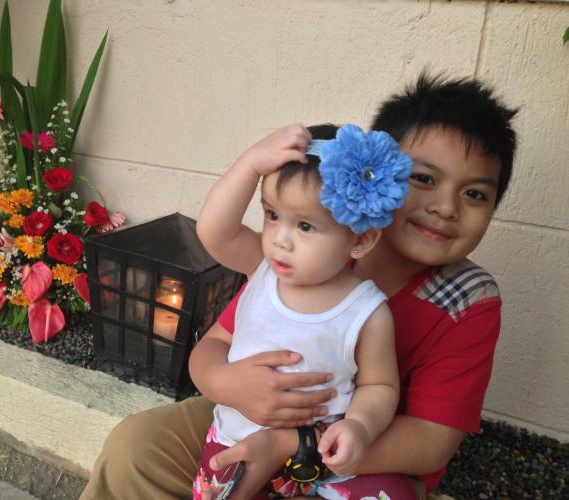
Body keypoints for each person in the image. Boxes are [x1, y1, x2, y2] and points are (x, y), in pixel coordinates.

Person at [80, 72, 518, 500]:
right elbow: (215, 340)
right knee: (136, 449)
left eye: (475, 194)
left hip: (362, 453)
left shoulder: (465, 299)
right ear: (370, 176)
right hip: (246, 414)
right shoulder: (312, 249)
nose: (446, 207)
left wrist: (292, 444)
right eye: (423, 178)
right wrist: (225, 383)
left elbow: (430, 442)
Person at [190, 122, 415, 499]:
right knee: (218, 493)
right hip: (238, 439)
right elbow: (215, 230)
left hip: (320, 454)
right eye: (272, 215)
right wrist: (250, 164)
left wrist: (359, 427)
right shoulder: (261, 268)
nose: (280, 239)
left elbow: (379, 385)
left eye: (305, 226)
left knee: (393, 494)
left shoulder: (367, 312)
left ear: (360, 239)